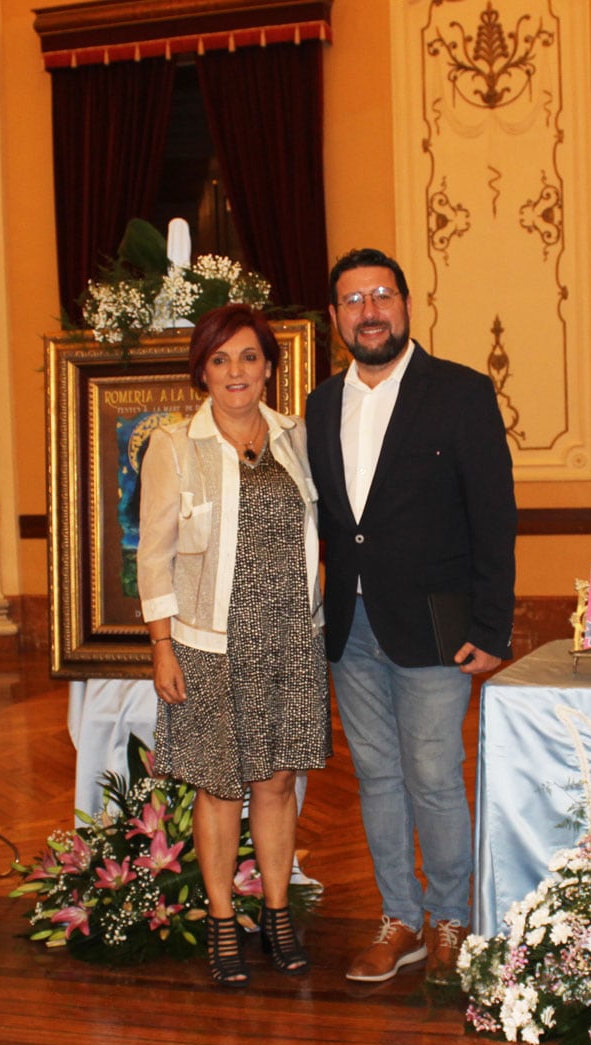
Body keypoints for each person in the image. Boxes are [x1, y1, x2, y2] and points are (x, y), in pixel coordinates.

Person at [305, 249, 518, 984]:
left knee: (432, 775)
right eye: (353, 300)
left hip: (434, 625)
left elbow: (493, 516)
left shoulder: (459, 392)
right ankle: (399, 920)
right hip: (350, 628)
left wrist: (492, 628)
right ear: (336, 319)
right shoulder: (320, 403)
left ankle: (452, 919)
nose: (369, 311)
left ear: (405, 305)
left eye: (381, 296)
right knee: (376, 777)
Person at [138, 303, 329, 987]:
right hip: (208, 642)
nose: (235, 372)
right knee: (219, 791)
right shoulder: (172, 445)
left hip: (290, 641)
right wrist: (162, 645)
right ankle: (223, 921)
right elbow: (154, 555)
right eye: (220, 360)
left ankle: (277, 914)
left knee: (276, 784)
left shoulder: (295, 437)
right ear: (202, 372)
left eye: (248, 357)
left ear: (270, 366)